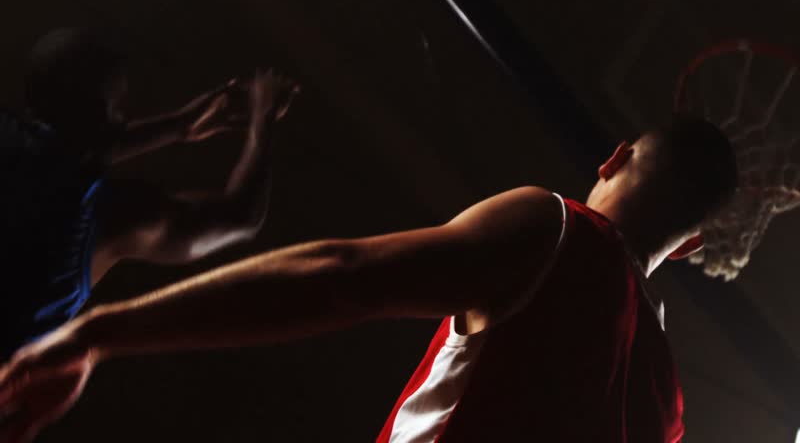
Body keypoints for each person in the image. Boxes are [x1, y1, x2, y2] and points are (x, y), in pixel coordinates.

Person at [0, 113, 737, 442]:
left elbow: (339, 275)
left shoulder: (556, 230)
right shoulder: (666, 400)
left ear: (613, 158)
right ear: (691, 244)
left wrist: (98, 332)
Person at [0, 28, 298, 362]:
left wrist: (180, 125)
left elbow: (64, 151)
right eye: (116, 108)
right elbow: (240, 217)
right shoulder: (115, 217)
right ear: (99, 113)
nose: (124, 117)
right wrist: (262, 121)